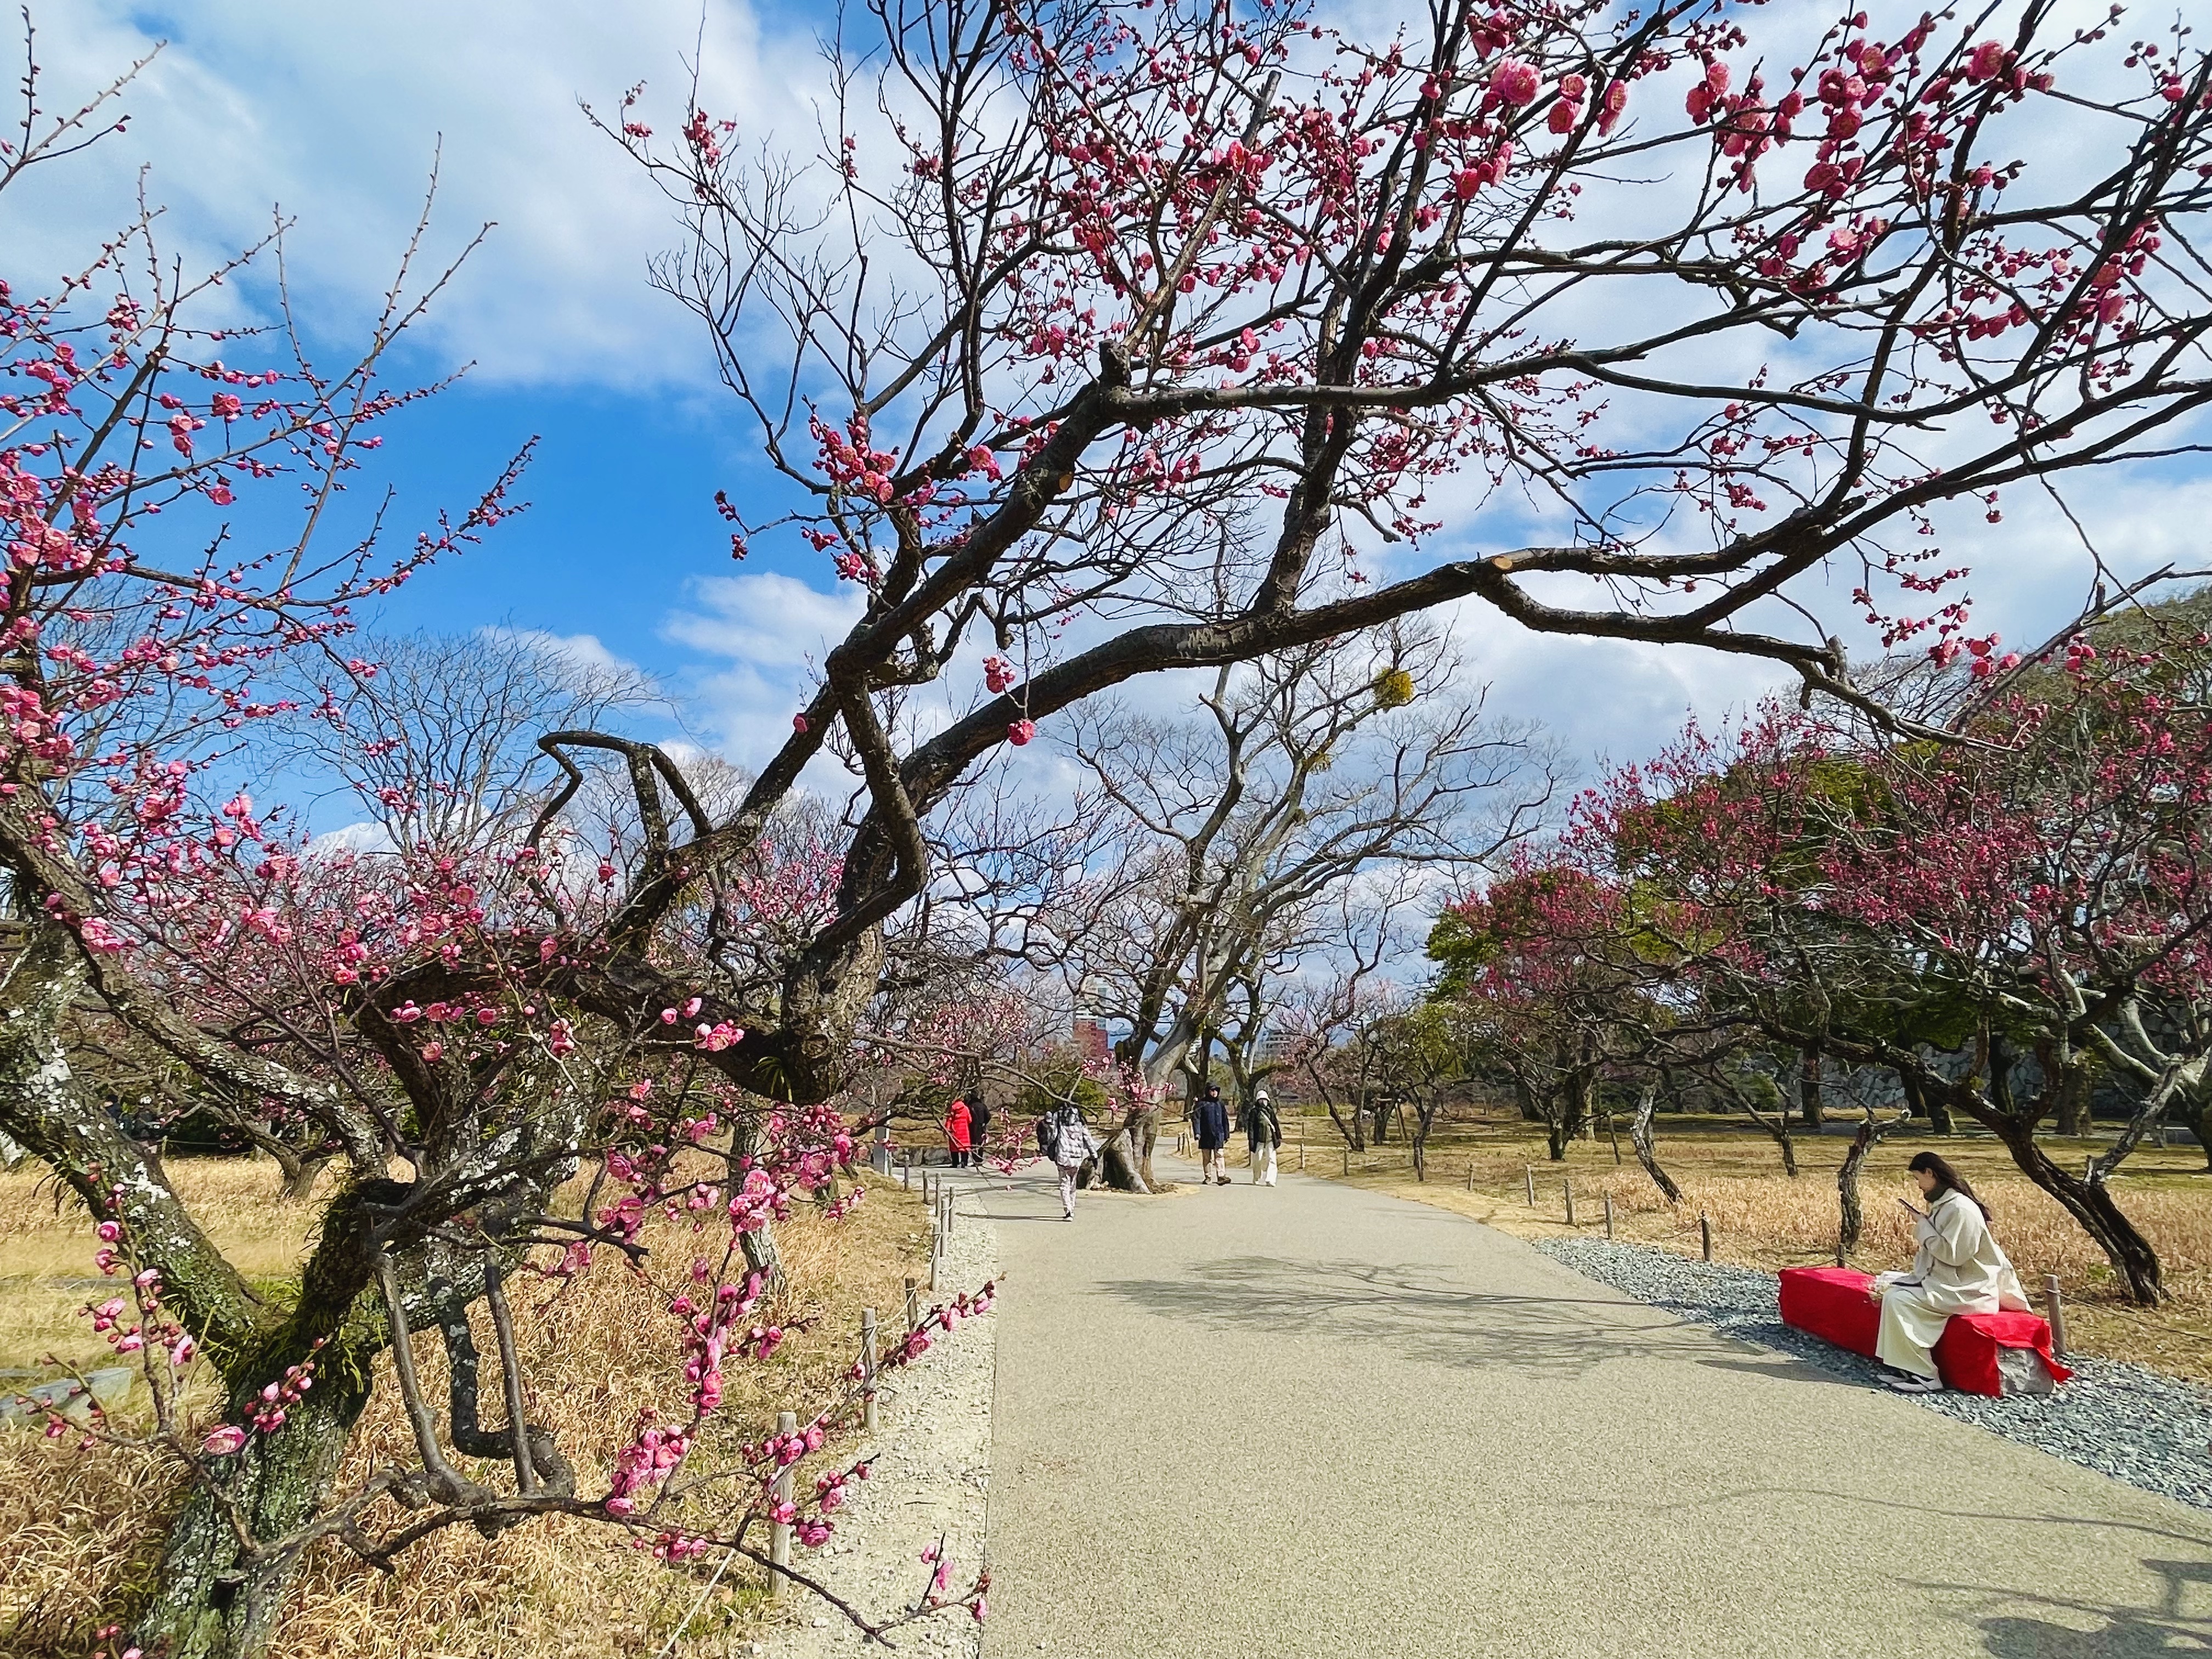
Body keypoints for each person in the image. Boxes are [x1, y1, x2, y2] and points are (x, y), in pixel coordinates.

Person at [1872, 1151, 2030, 1393]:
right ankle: (1908, 1367)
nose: (1918, 1186)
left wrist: (1923, 1227)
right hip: (1950, 1284)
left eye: (1918, 1179)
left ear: (1930, 1173)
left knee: (1898, 1300)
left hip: (1968, 1290)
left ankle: (1925, 1375)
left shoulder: (1961, 1209)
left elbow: (1955, 1255)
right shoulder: (1946, 1205)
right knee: (1894, 1294)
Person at [1044, 1100, 1098, 1220]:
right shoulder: (1080, 1123)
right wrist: (1094, 1156)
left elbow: (1052, 1136)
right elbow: (1089, 1140)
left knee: (1064, 1184)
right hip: (1076, 1159)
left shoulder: (1059, 1120)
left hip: (1062, 1158)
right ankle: (1072, 1208)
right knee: (1073, 1184)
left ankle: (1068, 1210)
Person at [1241, 1087, 1281, 1186]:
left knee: (1272, 1159)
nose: (1263, 1102)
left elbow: (1275, 1124)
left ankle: (1271, 1180)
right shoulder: (1254, 1112)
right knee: (1257, 1159)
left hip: (1270, 1139)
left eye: (1265, 1100)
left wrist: (1279, 1137)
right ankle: (1257, 1177)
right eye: (1261, 1100)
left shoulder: (1271, 1111)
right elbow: (1251, 1127)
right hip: (1259, 1140)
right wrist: (1251, 1140)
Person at [1193, 1082, 1231, 1186]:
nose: (1215, 1093)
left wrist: (1227, 1134)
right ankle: (1208, 1176)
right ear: (1208, 1091)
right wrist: (1197, 1133)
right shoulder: (1202, 1104)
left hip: (1219, 1135)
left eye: (1216, 1091)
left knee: (1220, 1155)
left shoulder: (1220, 1104)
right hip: (1205, 1135)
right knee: (1207, 1158)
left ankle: (1221, 1176)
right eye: (1212, 1091)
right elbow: (1197, 1119)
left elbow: (1225, 1120)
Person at [944, 1097, 973, 1169]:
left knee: (954, 1147)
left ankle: (955, 1163)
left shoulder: (952, 1109)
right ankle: (964, 1162)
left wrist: (947, 1129)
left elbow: (949, 1120)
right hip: (964, 1130)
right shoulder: (966, 1109)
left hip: (955, 1130)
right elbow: (970, 1120)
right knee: (964, 1146)